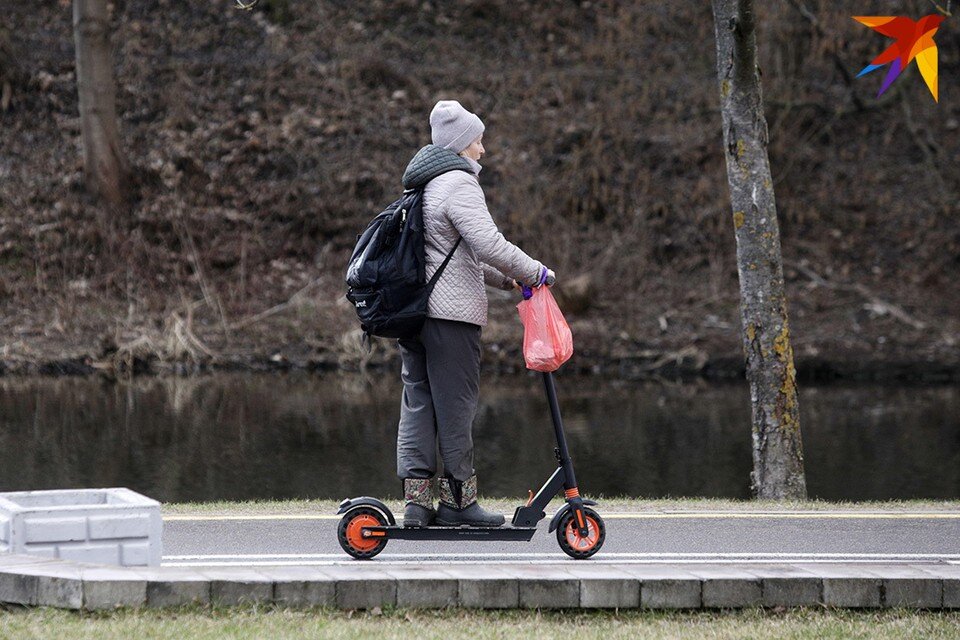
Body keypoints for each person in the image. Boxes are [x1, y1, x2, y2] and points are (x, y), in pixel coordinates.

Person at [396, 100, 555, 527]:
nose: (483, 150)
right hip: (450, 319)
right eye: (478, 141)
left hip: (413, 315)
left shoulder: (423, 186)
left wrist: (506, 281)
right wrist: (536, 272)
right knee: (456, 407)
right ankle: (458, 504)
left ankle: (416, 505)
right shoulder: (458, 184)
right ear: (462, 145)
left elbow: (452, 256)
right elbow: (489, 244)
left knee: (419, 404)